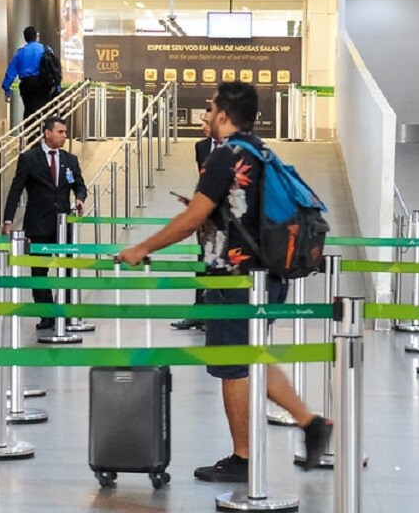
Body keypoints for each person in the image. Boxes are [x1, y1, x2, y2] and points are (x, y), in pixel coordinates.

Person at [118, 81, 332, 482]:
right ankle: (311, 422)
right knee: (251, 357)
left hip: (236, 280)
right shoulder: (260, 151)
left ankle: (243, 458)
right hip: (267, 276)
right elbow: (235, 210)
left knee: (232, 365)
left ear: (224, 114)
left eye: (211, 107)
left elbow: (193, 218)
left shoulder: (225, 155)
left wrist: (142, 247)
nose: (208, 114)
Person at [2, 117, 86, 329]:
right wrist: (8, 219)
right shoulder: (29, 158)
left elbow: (79, 185)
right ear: (47, 133)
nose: (65, 136)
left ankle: (66, 312)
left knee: (68, 269)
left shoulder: (70, 159)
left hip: (63, 223)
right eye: (61, 132)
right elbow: (16, 189)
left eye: (65, 132)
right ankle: (46, 313)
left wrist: (79, 198)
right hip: (38, 224)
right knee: (39, 271)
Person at [171, 107, 218, 331]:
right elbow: (204, 182)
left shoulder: (237, 149)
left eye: (206, 122)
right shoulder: (201, 147)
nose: (202, 126)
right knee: (202, 265)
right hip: (205, 219)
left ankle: (217, 317)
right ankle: (199, 313)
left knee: (221, 268)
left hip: (229, 222)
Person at [2, 26, 53, 121]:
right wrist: (56, 86)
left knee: (29, 110)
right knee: (43, 110)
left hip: (26, 85)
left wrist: (7, 89)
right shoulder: (46, 49)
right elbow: (54, 67)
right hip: (42, 84)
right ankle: (42, 131)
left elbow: (10, 72)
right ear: (36, 36)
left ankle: (29, 133)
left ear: (25, 38)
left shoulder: (20, 53)